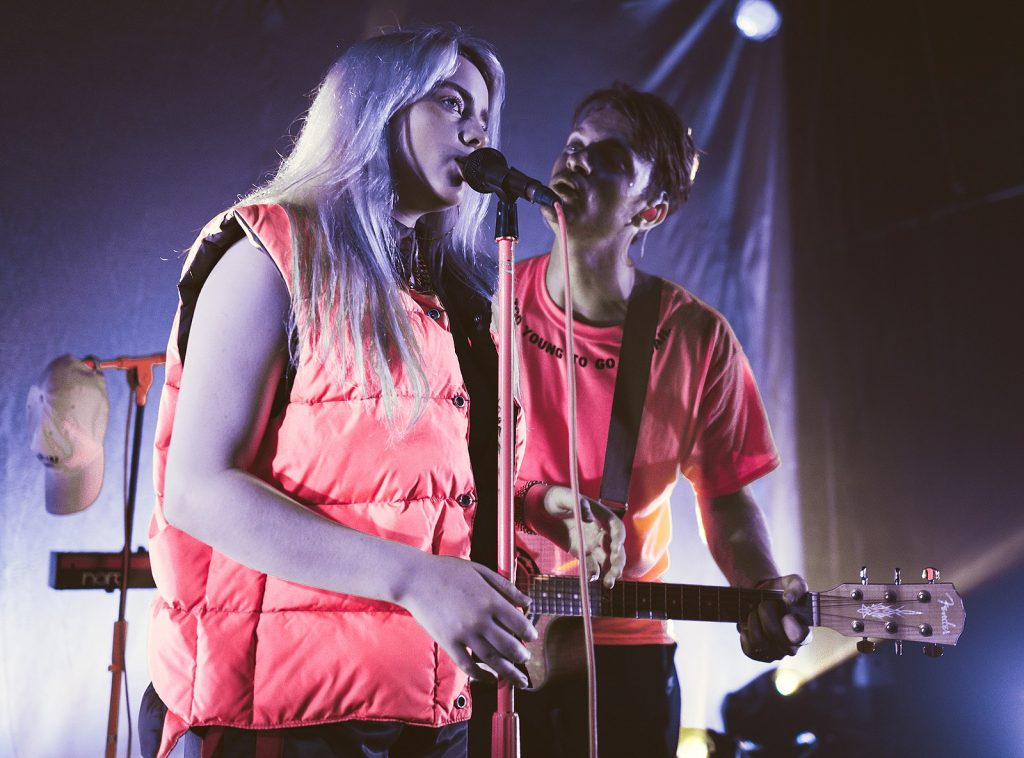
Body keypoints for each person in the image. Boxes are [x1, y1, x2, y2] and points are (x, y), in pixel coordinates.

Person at [139, 26, 540, 758]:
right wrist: (414, 579)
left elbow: (427, 498)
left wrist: (540, 513)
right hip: (273, 718)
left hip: (428, 708)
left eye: (484, 114)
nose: (478, 129)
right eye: (452, 103)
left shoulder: (457, 299)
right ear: (376, 108)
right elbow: (198, 489)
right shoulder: (268, 253)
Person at [504, 84, 808, 757]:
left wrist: (759, 590)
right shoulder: (489, 304)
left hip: (625, 653)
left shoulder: (696, 338)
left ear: (653, 210)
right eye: (574, 147)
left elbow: (727, 499)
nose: (578, 163)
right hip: (489, 629)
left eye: (609, 159)